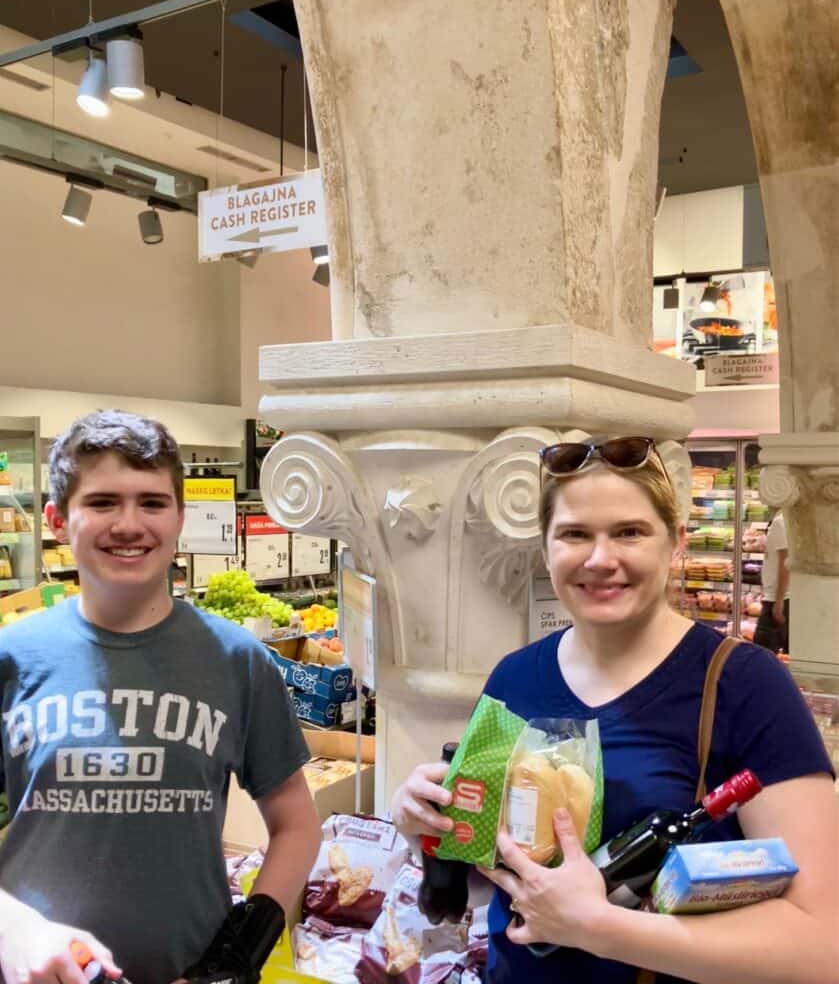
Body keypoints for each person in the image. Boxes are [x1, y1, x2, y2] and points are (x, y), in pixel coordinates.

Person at [392, 436, 836, 984]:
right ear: (546, 546)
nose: (601, 559)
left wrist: (599, 928)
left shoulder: (745, 684)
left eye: (629, 532)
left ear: (674, 542)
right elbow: (496, 880)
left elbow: (821, 944)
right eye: (575, 534)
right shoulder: (515, 678)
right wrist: (427, 827)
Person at [0, 411, 321, 984]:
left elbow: (296, 824)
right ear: (56, 520)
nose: (130, 524)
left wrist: (240, 953)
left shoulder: (236, 660)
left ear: (179, 518)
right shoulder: (13, 656)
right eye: (102, 503)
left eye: (151, 502)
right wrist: (15, 931)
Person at [753, 512, 790, 653]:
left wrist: (778, 601)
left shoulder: (780, 522)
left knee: (761, 652)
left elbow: (785, 562)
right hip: (781, 596)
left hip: (778, 598)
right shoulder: (786, 520)